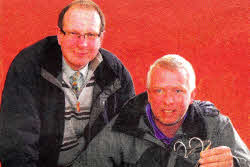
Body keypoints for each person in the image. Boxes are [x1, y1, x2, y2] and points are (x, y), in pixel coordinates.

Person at [0, 0, 135, 167]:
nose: (82, 44)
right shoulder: (29, 66)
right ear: (59, 35)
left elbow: (130, 139)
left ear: (101, 37)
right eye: (73, 33)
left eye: (91, 35)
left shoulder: (115, 73)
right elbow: (17, 146)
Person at [73, 54, 250, 167]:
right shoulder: (122, 127)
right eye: (159, 91)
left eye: (178, 91)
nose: (168, 100)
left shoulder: (215, 125)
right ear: (148, 94)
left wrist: (234, 164)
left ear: (192, 96)